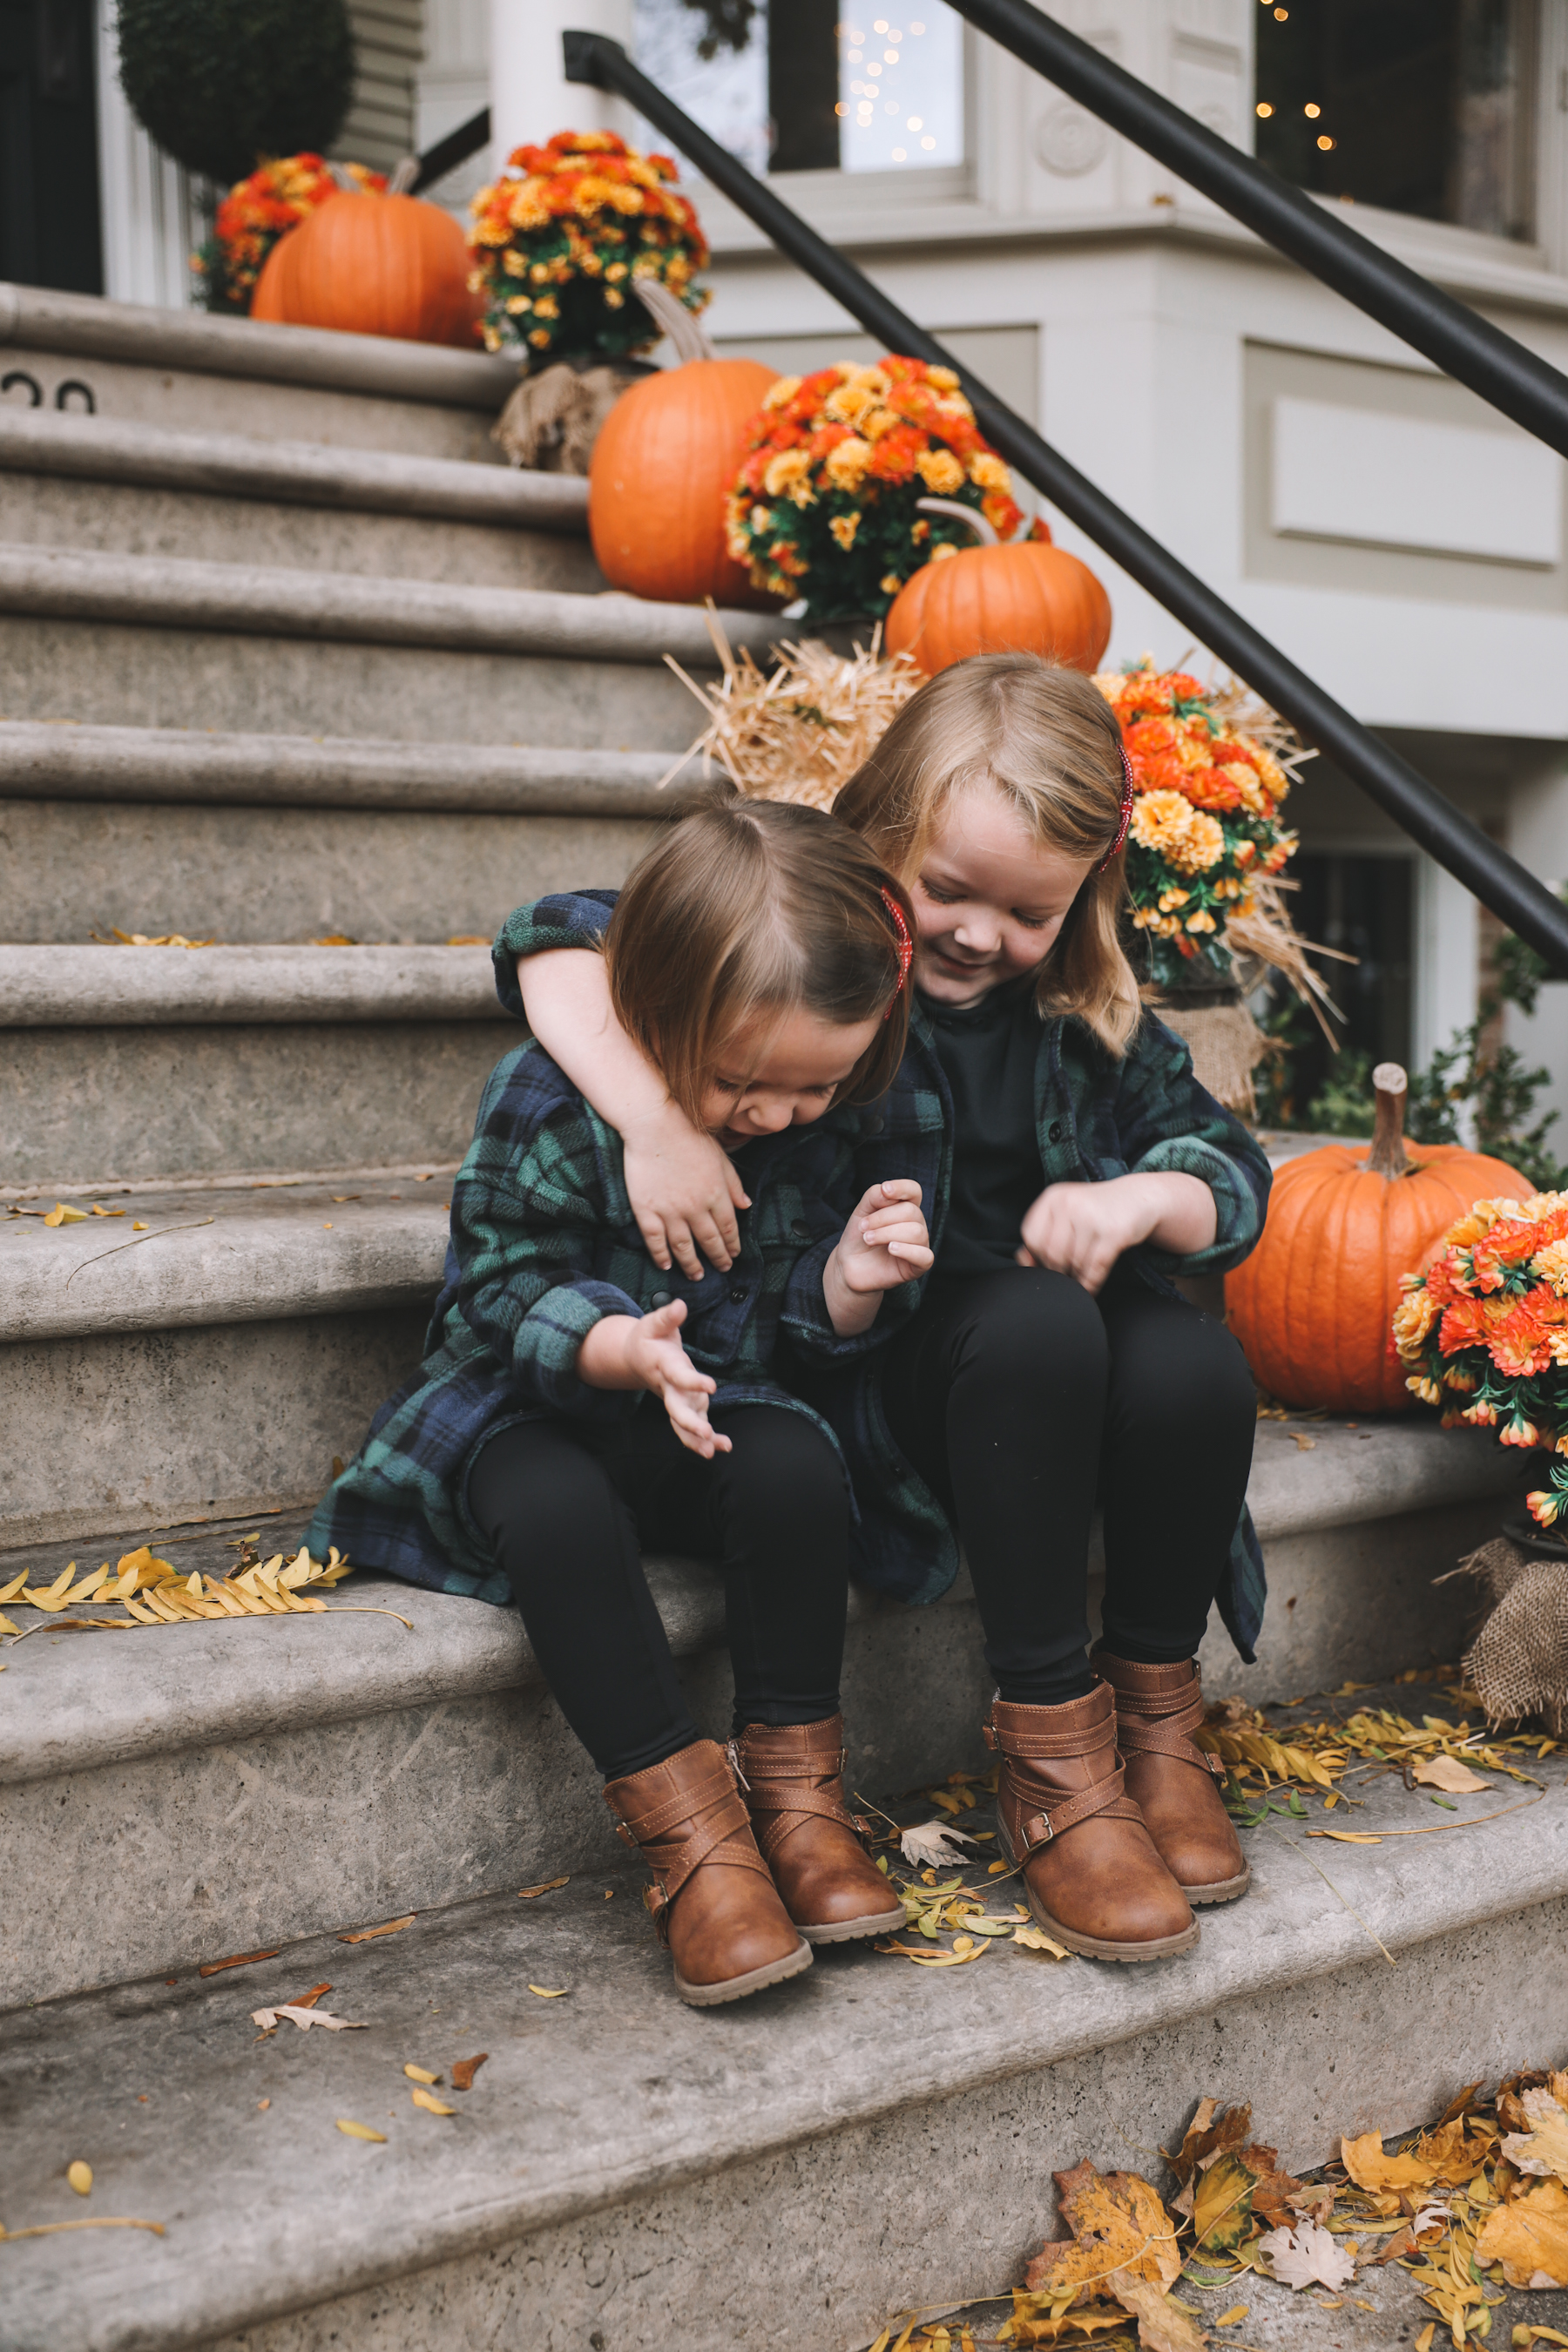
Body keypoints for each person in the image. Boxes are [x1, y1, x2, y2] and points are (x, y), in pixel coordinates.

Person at [505, 653, 1274, 1967]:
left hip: (1039, 1344)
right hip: (883, 1345)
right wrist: (650, 1123)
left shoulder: (1084, 1010)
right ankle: (1050, 1753)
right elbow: (558, 938)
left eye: (1028, 909)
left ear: (1087, 890)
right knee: (1038, 1327)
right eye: (951, 890)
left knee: (1196, 1366)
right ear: (883, 830)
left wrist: (1143, 1199)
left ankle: (1152, 1724)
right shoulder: (818, 954)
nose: (979, 933)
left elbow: (1236, 1181)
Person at [310, 797, 936, 2007]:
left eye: (813, 1090)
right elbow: (499, 1289)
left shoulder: (831, 1120)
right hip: (525, 1404)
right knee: (553, 1509)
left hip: (701, 1403)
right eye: (744, 1083)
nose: (773, 1116)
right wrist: (609, 1344)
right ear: (650, 1007)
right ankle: (693, 1844)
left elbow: (787, 1329)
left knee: (794, 1466)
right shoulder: (549, 1100)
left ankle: (799, 1806)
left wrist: (846, 1285)